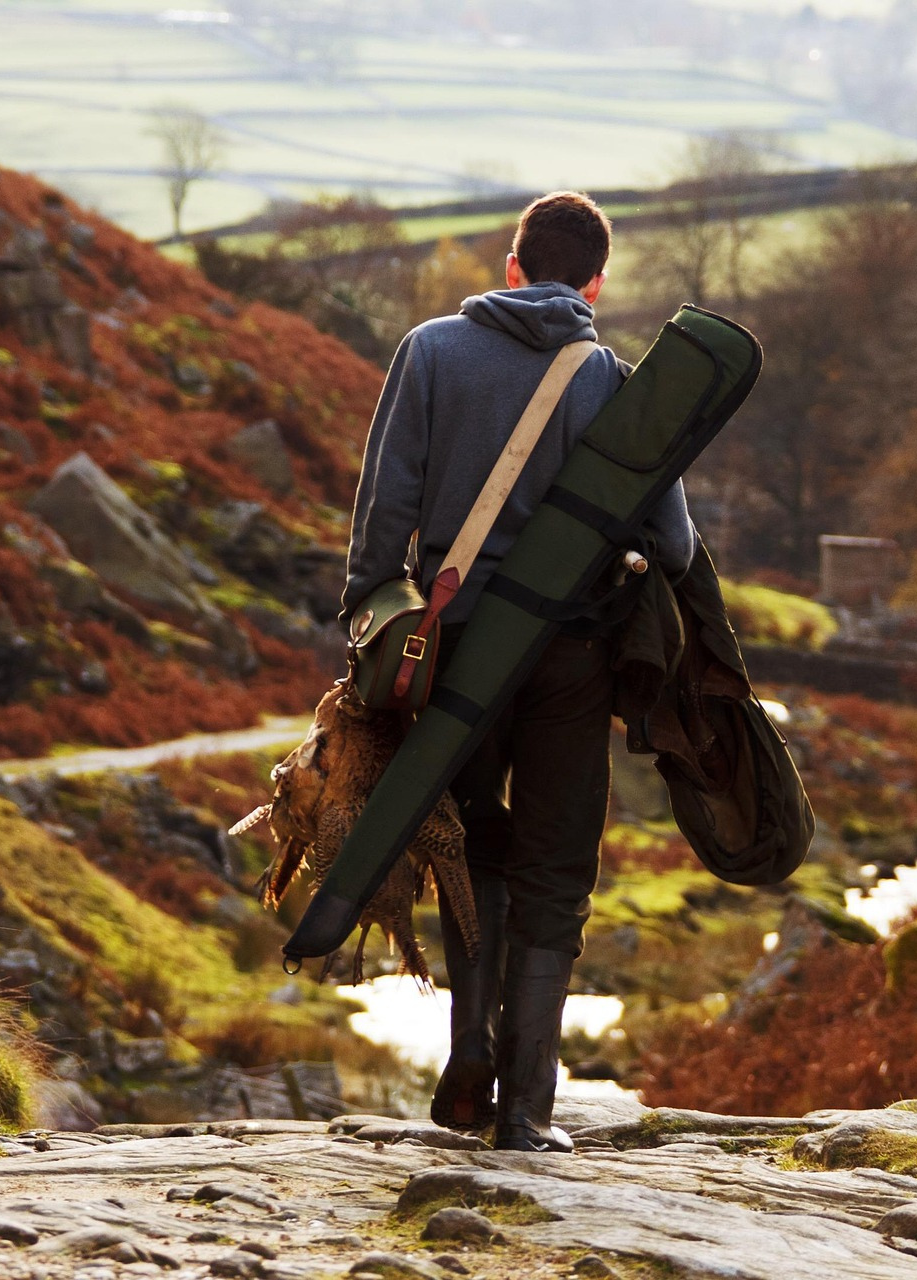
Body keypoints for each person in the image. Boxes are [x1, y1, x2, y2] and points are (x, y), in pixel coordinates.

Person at [341, 191, 694, 1153]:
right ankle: (528, 1111)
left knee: (467, 849)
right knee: (555, 868)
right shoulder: (616, 383)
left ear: (510, 267)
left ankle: (468, 1060)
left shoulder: (428, 351)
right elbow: (671, 542)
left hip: (453, 650)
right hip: (571, 658)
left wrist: (371, 624)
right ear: (595, 286)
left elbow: (384, 512)